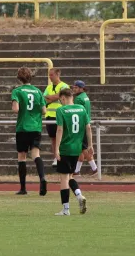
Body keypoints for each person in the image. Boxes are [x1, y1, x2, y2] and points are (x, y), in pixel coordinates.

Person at [53, 88, 92, 216]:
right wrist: (90, 145)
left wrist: (56, 148)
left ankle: (66, 209)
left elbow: (59, 130)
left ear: (63, 98)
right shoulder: (81, 109)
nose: (61, 102)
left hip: (65, 147)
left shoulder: (61, 110)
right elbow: (88, 127)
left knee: (64, 178)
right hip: (77, 148)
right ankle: (79, 196)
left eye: (60, 100)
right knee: (70, 176)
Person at [11, 67, 48, 196]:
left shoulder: (17, 91)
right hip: (36, 127)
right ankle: (42, 177)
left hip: (22, 127)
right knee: (36, 155)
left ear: (19, 78)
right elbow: (44, 111)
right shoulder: (38, 91)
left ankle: (23, 188)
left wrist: (20, 107)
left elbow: (15, 109)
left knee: (22, 156)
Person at [43, 68, 69, 168]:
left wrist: (51, 97)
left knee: (62, 138)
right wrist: (53, 97)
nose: (50, 77)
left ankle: (63, 157)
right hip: (49, 116)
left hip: (61, 115)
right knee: (53, 138)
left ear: (58, 74)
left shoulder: (64, 86)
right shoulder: (48, 87)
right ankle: (56, 157)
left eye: (52, 75)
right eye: (49, 75)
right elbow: (44, 99)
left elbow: (58, 96)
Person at [72, 80, 98, 176]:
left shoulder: (78, 99)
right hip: (85, 123)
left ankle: (95, 168)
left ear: (81, 88)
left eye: (75, 87)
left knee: (83, 148)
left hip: (81, 125)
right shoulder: (85, 97)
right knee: (81, 149)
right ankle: (77, 170)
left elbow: (76, 111)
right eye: (73, 87)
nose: (73, 89)